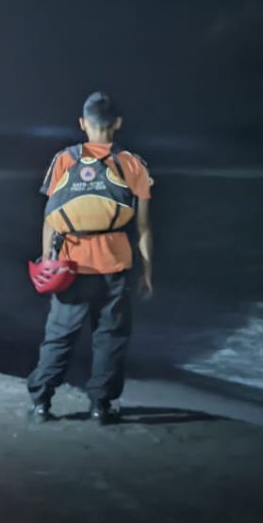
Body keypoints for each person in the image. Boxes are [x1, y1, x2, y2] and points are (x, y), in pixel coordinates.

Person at [27, 91, 153, 425]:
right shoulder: (132, 163)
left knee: (59, 335)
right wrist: (148, 272)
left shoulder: (64, 159)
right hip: (115, 266)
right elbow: (142, 226)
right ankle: (101, 406)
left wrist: (45, 260)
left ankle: (41, 402)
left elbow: (50, 216)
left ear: (83, 123)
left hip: (70, 266)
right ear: (118, 124)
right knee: (110, 339)